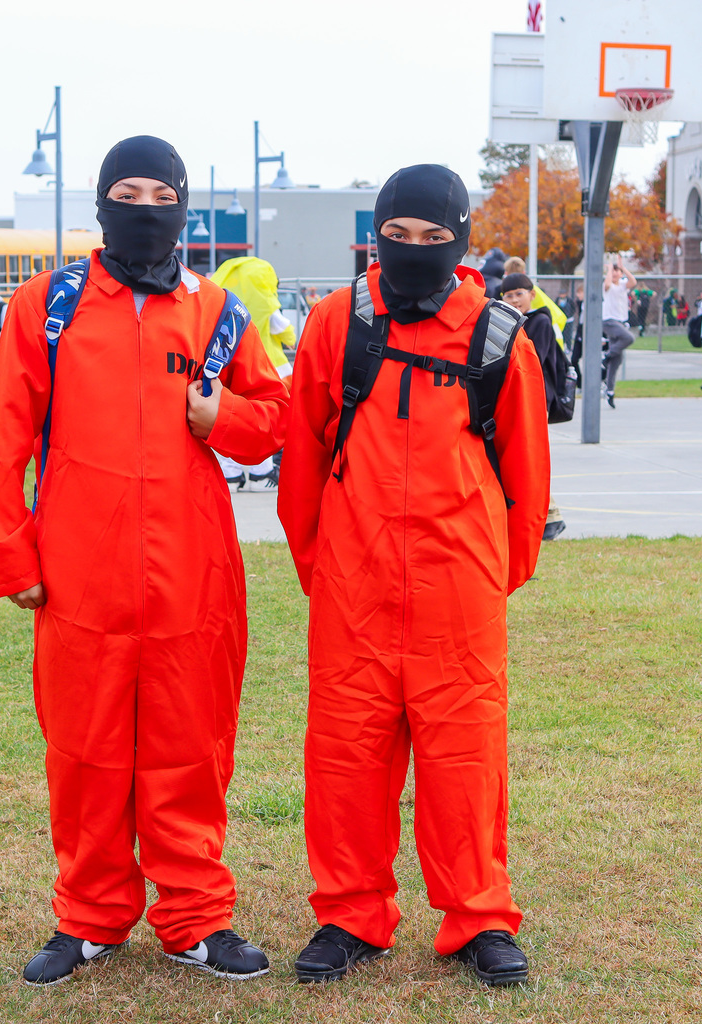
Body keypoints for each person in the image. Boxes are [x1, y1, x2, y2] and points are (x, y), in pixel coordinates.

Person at [0, 135, 288, 988]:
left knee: (192, 749)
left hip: (193, 576)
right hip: (80, 576)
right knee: (85, 752)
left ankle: (194, 919)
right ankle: (89, 917)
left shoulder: (218, 312)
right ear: (102, 204)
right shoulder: (49, 306)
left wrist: (221, 419)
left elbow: (276, 414)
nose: (144, 209)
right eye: (127, 193)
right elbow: (3, 438)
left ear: (183, 207)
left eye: (161, 195)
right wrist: (10, 555)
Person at [278, 164, 549, 987]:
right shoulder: (337, 323)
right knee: (345, 759)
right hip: (352, 594)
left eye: (434, 238)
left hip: (459, 598)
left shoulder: (498, 337)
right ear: (376, 236)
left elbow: (528, 485)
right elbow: (303, 459)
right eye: (397, 236)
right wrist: (325, 567)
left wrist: (485, 579)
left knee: (466, 762)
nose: (414, 250)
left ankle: (479, 916)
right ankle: (350, 913)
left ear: (459, 241)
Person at [210, 256, 296, 489]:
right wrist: (289, 338)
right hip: (269, 368)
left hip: (227, 370)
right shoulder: (266, 308)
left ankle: (231, 474)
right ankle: (261, 473)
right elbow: (286, 331)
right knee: (263, 421)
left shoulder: (222, 306)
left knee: (230, 420)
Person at [500, 272, 567, 539]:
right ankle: (548, 516)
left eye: (519, 294)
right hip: (517, 397)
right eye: (509, 295)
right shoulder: (510, 322)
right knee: (523, 458)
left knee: (529, 458)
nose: (515, 300)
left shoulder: (539, 322)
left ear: (532, 294)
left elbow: (530, 361)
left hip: (536, 399)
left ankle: (550, 516)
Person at [601, 261, 636, 409]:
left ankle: (609, 391)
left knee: (616, 360)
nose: (615, 273)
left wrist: (623, 268)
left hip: (620, 322)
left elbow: (633, 282)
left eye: (617, 271)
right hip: (609, 321)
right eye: (613, 271)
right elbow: (607, 284)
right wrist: (609, 269)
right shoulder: (607, 285)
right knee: (629, 338)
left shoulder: (622, 285)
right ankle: (606, 356)